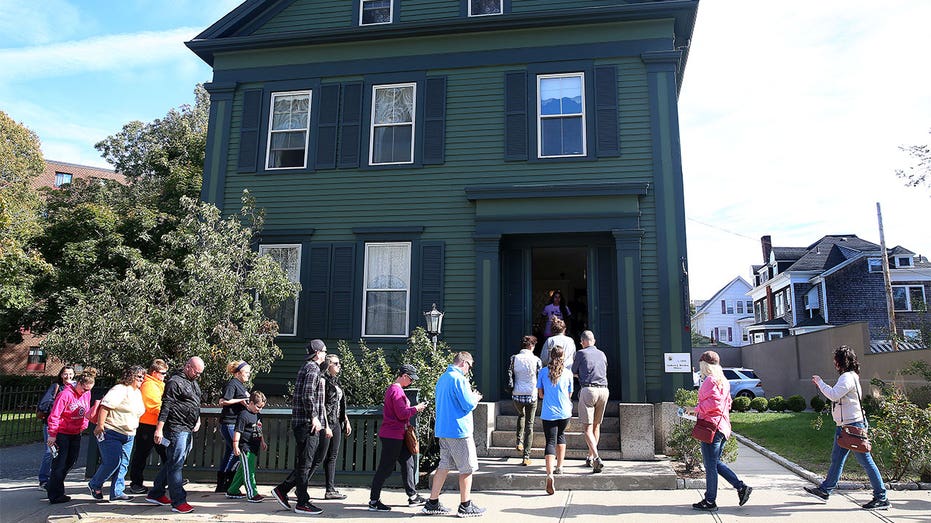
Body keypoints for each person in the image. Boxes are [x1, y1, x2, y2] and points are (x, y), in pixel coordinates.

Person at [803, 345, 889, 510]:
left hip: (852, 426)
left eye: (836, 359)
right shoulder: (850, 376)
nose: (834, 362)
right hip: (845, 426)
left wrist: (820, 382)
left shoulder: (847, 378)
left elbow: (834, 395)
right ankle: (825, 489)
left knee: (866, 461)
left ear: (841, 361)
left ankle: (881, 497)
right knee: (837, 459)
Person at [423, 352, 484, 517]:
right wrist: (476, 397)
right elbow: (467, 404)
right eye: (469, 366)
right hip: (458, 430)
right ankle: (465, 505)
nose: (469, 370)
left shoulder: (443, 378)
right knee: (467, 468)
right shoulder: (459, 379)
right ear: (464, 363)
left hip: (443, 429)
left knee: (443, 466)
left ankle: (432, 502)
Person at [271, 340, 328, 515]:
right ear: (317, 352)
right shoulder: (312, 368)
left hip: (304, 422)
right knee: (305, 464)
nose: (326, 354)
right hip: (306, 423)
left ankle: (283, 490)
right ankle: (302, 502)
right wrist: (314, 417)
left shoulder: (310, 368)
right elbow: (307, 395)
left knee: (306, 462)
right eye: (324, 351)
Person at [691, 350, 752, 511]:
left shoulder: (710, 380)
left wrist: (695, 409)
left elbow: (714, 405)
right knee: (715, 463)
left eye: (701, 364)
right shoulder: (723, 380)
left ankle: (710, 501)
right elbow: (728, 404)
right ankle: (741, 487)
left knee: (710, 466)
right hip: (722, 427)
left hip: (711, 428)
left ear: (705, 365)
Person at [146, 356, 205, 515]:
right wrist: (159, 429)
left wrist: (197, 419)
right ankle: (178, 501)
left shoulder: (194, 383)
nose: (198, 375)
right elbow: (166, 406)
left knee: (174, 461)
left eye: (200, 373)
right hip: (176, 427)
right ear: (188, 367)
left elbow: (195, 402)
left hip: (188, 427)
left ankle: (156, 493)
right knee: (176, 464)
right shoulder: (174, 382)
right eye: (196, 372)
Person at [368, 363, 428, 512]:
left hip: (397, 434)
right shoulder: (396, 390)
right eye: (411, 379)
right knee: (385, 468)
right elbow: (401, 414)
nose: (412, 382)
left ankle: (413, 497)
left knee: (408, 463)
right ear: (404, 376)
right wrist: (416, 408)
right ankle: (374, 501)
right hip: (392, 435)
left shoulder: (396, 389)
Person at [88, 365, 146, 502]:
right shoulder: (120, 389)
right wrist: (100, 425)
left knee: (123, 464)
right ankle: (95, 483)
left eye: (143, 377)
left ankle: (117, 492)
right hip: (111, 431)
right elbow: (105, 406)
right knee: (112, 461)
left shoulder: (137, 393)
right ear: (130, 376)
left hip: (129, 434)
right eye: (138, 376)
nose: (141, 379)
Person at [45, 367, 99, 504]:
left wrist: (84, 425)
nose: (86, 392)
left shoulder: (86, 394)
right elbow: (55, 415)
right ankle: (55, 494)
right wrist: (52, 434)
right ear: (79, 383)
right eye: (84, 389)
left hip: (75, 432)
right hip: (62, 432)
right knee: (60, 463)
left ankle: (54, 486)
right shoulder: (65, 394)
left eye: (89, 390)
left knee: (70, 461)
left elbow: (86, 410)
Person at [308, 354, 351, 500]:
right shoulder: (323, 381)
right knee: (319, 457)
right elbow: (323, 406)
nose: (339, 366)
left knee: (332, 456)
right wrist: (326, 426)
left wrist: (345, 418)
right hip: (327, 423)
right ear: (328, 365)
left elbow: (338, 403)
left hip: (337, 421)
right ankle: (300, 485)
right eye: (336, 363)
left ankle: (330, 490)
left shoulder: (336, 381)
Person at [127, 359, 169, 494]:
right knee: (141, 454)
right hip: (147, 425)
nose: (165, 376)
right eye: (162, 373)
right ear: (155, 372)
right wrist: (167, 414)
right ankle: (136, 483)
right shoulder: (149, 385)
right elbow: (154, 405)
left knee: (166, 452)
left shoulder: (158, 384)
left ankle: (170, 477)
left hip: (156, 424)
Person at [537, 346, 572, 495]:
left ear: (550, 356)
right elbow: (570, 394)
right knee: (561, 436)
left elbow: (540, 394)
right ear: (563, 356)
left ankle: (549, 473)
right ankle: (560, 466)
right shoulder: (568, 373)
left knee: (550, 441)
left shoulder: (543, 372)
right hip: (564, 411)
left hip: (548, 412)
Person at [571, 330, 609, 472]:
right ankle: (590, 456)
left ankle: (597, 457)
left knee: (587, 428)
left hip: (588, 390)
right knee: (596, 426)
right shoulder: (602, 354)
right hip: (604, 390)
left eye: (581, 342)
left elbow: (573, 371)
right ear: (594, 341)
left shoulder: (581, 353)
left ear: (584, 341)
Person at [216, 360, 252, 493]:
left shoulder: (241, 385)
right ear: (238, 373)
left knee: (230, 453)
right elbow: (223, 401)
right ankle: (227, 483)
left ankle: (222, 484)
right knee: (237, 452)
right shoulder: (232, 384)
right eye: (246, 372)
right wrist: (241, 401)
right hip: (229, 423)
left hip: (235, 423)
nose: (248, 375)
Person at [226, 390, 268, 503]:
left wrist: (262, 442)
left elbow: (259, 429)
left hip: (254, 447)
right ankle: (252, 493)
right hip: (245, 447)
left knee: (243, 470)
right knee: (249, 471)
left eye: (262, 407)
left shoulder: (257, 415)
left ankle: (232, 490)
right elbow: (238, 431)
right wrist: (235, 445)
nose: (260, 409)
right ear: (251, 403)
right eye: (258, 406)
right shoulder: (244, 415)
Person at [37, 365, 75, 490]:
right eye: (65, 374)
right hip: (51, 424)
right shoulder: (56, 387)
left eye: (70, 374)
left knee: (61, 454)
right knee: (50, 452)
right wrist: (59, 403)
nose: (68, 376)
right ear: (61, 375)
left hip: (65, 427)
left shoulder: (75, 389)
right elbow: (44, 404)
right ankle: (43, 480)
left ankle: (55, 479)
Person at [508, 335, 542, 466]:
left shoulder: (514, 358)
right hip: (531, 394)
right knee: (530, 425)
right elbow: (540, 377)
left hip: (517, 394)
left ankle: (518, 441)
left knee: (520, 415)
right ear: (532, 346)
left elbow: (510, 374)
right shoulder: (536, 360)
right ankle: (526, 456)